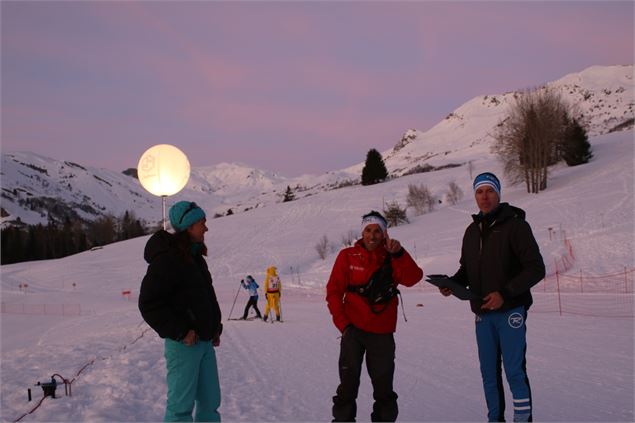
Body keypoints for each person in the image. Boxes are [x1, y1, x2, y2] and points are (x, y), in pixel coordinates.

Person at [438, 172, 545, 422]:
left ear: (498, 194)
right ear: (474, 196)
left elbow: (536, 268)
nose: (484, 197)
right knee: (488, 373)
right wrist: (451, 284)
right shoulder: (471, 231)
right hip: (482, 315)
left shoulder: (516, 226)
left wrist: (505, 294)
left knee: (514, 372)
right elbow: (467, 271)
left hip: (510, 311)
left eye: (489, 191)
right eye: (479, 192)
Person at [326, 210, 423, 422]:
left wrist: (399, 254)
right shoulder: (347, 256)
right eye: (368, 230)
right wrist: (344, 326)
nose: (372, 235)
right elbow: (333, 292)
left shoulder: (392, 256)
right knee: (347, 387)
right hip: (353, 332)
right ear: (362, 232)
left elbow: (414, 278)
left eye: (378, 231)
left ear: (385, 233)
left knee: (383, 389)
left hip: (382, 334)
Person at [139, 201, 223, 422]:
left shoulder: (195, 257)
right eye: (202, 223)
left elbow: (204, 297)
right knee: (180, 409)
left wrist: (214, 327)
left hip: (204, 342)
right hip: (183, 345)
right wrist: (181, 331)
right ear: (188, 226)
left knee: (210, 404)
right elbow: (149, 304)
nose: (206, 228)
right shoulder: (167, 259)